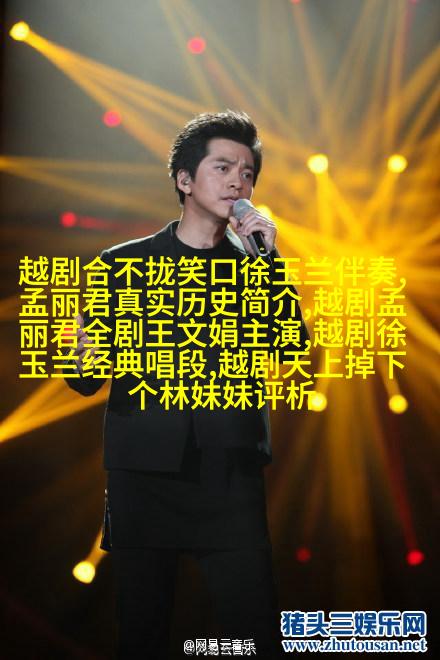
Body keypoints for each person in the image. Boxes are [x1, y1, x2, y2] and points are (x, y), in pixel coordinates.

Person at [65, 110, 309, 659]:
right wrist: (77, 354)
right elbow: (84, 379)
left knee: (253, 636)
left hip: (229, 475)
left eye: (247, 173)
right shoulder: (123, 265)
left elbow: (292, 350)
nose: (237, 182)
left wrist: (269, 262)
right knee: (142, 633)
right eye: (222, 167)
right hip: (144, 475)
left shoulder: (255, 269)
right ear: (184, 179)